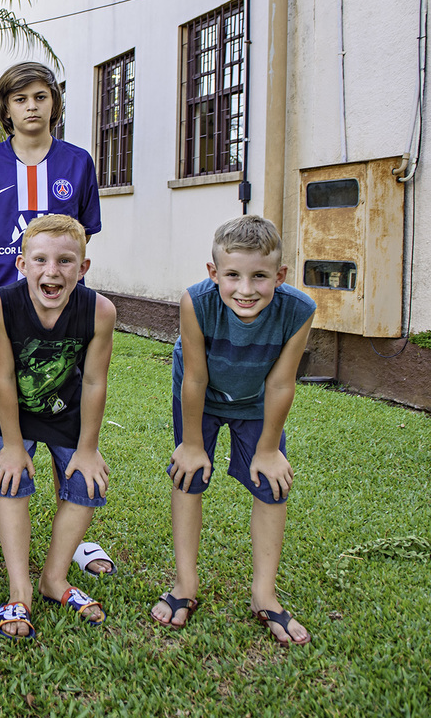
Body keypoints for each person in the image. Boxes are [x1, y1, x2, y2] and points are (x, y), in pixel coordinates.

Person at [0, 62, 111, 577]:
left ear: (54, 104)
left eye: (40, 97)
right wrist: (11, 282)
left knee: (67, 420)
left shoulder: (77, 162)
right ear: (6, 108)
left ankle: (76, 535)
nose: (31, 107)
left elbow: (81, 235)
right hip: (1, 323)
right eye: (20, 99)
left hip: (62, 325)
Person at [150, 215, 315, 645]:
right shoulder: (196, 302)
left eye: (259, 276)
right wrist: (191, 444)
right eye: (233, 276)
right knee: (188, 476)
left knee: (272, 486)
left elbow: (281, 383)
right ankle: (185, 584)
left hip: (257, 402)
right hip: (200, 396)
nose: (246, 289)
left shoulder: (299, 310)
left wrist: (268, 450)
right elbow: (194, 378)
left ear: (280, 275)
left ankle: (264, 594)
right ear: (214, 273)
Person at [0, 215, 116, 639]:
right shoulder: (0, 304)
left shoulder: (99, 311)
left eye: (65, 261)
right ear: (22, 264)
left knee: (87, 483)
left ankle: (54, 578)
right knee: (11, 479)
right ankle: (19, 589)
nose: (52, 271)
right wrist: (11, 445)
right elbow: (3, 377)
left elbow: (94, 381)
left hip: (65, 407)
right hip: (14, 409)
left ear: (83, 267)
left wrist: (88, 448)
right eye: (40, 260)